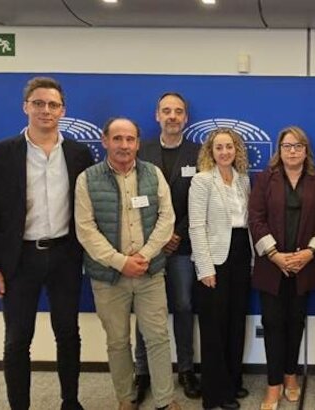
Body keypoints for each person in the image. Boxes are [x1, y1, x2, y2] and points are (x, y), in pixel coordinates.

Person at [0, 76, 93, 410]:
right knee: (17, 339)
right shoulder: (2, 153)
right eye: (38, 103)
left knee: (68, 333)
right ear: (25, 107)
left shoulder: (78, 154)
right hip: (19, 259)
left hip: (65, 256)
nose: (46, 110)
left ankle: (70, 401)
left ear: (63, 110)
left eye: (53, 104)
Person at [75, 117, 179, 410]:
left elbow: (166, 218)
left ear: (138, 143)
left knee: (157, 337)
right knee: (118, 341)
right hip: (108, 277)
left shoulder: (153, 174)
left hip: (149, 272)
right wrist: (120, 262)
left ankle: (164, 399)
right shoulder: (87, 179)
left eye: (130, 139)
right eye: (117, 138)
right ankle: (126, 398)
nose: (124, 145)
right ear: (105, 140)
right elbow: (85, 229)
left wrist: (144, 256)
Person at [249, 126, 315, 410]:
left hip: (304, 266)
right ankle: (273, 385)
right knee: (273, 324)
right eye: (287, 146)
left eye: (298, 146)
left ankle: (290, 376)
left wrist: (309, 253)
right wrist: (275, 255)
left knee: (295, 323)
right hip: (272, 267)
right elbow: (255, 218)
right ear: (279, 150)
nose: (292, 151)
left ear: (306, 151)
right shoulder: (264, 179)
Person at [134, 92, 202, 402]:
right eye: (166, 111)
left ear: (185, 118)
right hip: (147, 245)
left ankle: (186, 369)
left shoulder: (198, 153)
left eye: (178, 111)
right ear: (157, 116)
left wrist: (178, 234)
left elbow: (200, 201)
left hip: (182, 246)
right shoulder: (141, 150)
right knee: (145, 309)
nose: (172, 116)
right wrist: (157, 238)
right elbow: (133, 197)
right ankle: (142, 372)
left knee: (184, 306)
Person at [188, 128, 252, 410]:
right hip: (214, 259)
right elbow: (196, 226)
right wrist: (205, 268)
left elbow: (248, 222)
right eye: (219, 147)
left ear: (236, 150)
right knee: (215, 327)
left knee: (236, 322)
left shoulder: (243, 180)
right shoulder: (202, 180)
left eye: (229, 147)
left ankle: (233, 382)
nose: (225, 152)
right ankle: (216, 393)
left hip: (241, 254)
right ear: (210, 152)